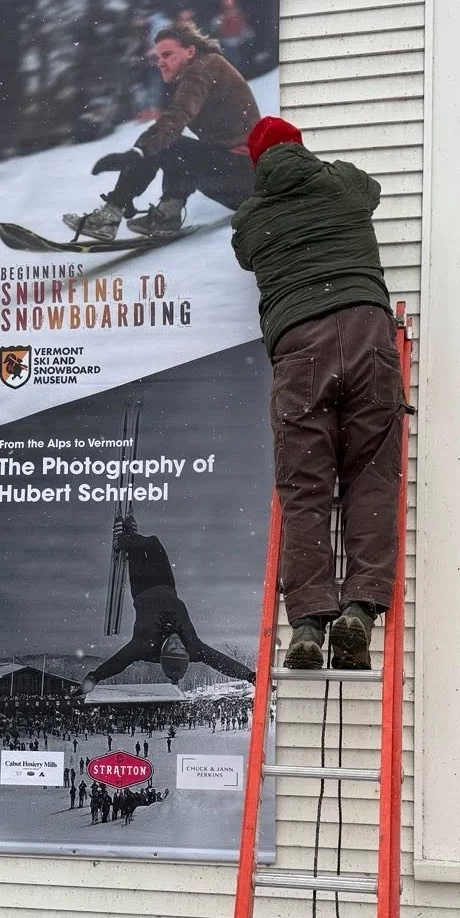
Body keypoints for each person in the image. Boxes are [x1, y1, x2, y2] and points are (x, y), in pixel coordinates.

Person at [231, 116, 408, 672]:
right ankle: (359, 608)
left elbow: (246, 253)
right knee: (371, 477)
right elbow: (370, 192)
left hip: (299, 344)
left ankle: (308, 622)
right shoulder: (341, 182)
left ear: (256, 164)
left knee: (305, 488)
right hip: (366, 331)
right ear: (300, 146)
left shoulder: (251, 219)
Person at [66, 22, 260, 243]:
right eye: (158, 57)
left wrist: (137, 156)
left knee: (169, 143)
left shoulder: (202, 70)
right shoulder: (201, 69)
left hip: (246, 177)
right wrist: (138, 161)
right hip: (240, 180)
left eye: (167, 54)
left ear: (189, 51)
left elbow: (176, 118)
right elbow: (168, 128)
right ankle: (166, 214)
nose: (161, 62)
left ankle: (112, 215)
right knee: (169, 143)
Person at [81, 514, 255, 696]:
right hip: (166, 584)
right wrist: (250, 676)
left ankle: (123, 541)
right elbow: (221, 662)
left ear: (162, 655)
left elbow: (118, 663)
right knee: (154, 542)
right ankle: (129, 538)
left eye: (173, 648)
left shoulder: (142, 647)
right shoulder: (194, 648)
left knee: (140, 548)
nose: (177, 642)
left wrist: (94, 678)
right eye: (181, 649)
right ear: (187, 655)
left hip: (142, 588)